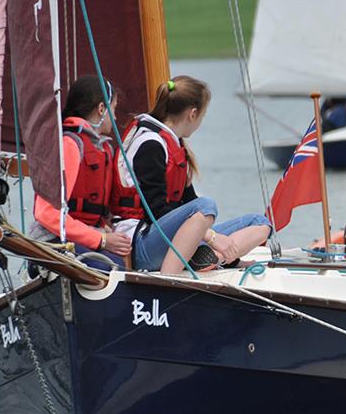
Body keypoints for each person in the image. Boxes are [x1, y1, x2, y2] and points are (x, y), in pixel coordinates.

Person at [110, 75, 271, 274]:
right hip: (140, 245)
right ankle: (170, 277)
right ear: (193, 114)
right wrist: (212, 237)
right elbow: (157, 211)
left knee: (260, 223)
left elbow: (188, 202)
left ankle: (215, 258)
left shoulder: (176, 146)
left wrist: (209, 238)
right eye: (203, 116)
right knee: (206, 206)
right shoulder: (150, 144)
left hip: (170, 240)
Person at [31, 75, 132, 270]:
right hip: (54, 241)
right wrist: (101, 239)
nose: (116, 117)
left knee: (127, 259)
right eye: (114, 109)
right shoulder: (70, 145)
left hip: (87, 237)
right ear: (102, 109)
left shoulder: (103, 149)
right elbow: (47, 213)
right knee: (112, 268)